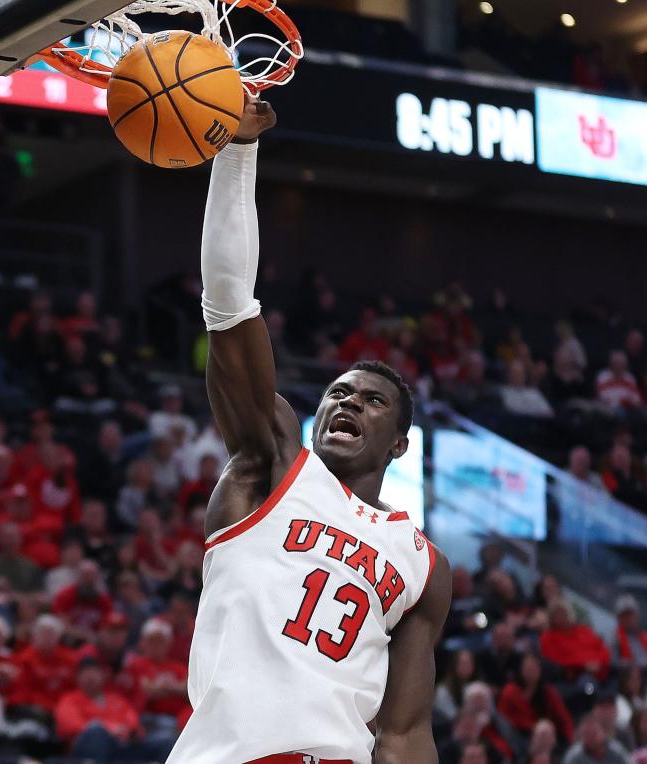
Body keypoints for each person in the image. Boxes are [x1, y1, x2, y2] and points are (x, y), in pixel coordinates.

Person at [164, 96, 450, 764]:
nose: (346, 402)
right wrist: (236, 151)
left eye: (372, 400)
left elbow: (404, 732)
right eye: (337, 392)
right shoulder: (269, 468)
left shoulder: (424, 564)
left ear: (399, 444)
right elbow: (229, 309)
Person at [55, 657, 174, 763]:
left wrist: (129, 732)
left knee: (165, 740)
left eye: (94, 673)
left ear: (102, 676)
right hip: (88, 749)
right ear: (77, 678)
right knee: (96, 731)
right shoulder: (70, 699)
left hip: (122, 747)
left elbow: (134, 725)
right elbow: (70, 726)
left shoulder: (116, 700)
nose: (90, 678)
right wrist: (109, 729)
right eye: (85, 674)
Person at [498, 652, 575, 744]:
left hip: (544, 735)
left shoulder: (548, 692)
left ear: (540, 671)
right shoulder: (509, 692)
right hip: (517, 736)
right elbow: (502, 719)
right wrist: (531, 726)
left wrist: (570, 738)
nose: (531, 672)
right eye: (528, 669)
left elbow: (563, 717)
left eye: (534, 669)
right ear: (521, 671)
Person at [540, 598, 611, 683]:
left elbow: (603, 649)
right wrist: (583, 666)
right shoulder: (547, 637)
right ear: (551, 617)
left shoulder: (585, 630)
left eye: (562, 613)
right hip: (574, 676)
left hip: (601, 670)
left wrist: (598, 663)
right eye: (556, 614)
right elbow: (554, 661)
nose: (560, 617)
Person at [611, 595, 647, 680]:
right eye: (624, 615)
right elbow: (613, 664)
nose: (628, 618)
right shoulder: (615, 638)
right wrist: (645, 665)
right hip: (630, 683)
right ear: (618, 618)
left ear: (636, 615)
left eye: (630, 614)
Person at [0, 522, 42, 592]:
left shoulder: (31, 566)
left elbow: (38, 593)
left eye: (13, 537)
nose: (10, 541)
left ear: (21, 539)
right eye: (6, 537)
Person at [564, 716, 631, 764]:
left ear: (604, 733)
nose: (591, 738)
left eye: (594, 734)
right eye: (586, 734)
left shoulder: (617, 751)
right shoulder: (574, 757)